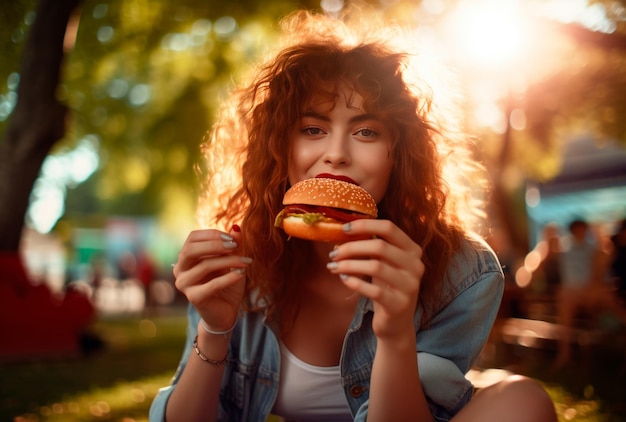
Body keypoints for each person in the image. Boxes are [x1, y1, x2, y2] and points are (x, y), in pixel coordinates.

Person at [150, 9, 556, 422]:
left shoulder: (464, 271)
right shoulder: (235, 261)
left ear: (398, 153)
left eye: (366, 132)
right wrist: (215, 328)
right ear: (279, 147)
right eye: (312, 129)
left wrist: (395, 332)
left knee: (523, 400)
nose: (337, 153)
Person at [555, 219, 626, 369]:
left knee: (615, 309)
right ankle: (564, 356)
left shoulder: (594, 250)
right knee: (567, 300)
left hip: (591, 293)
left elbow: (601, 275)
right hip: (575, 294)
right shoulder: (565, 250)